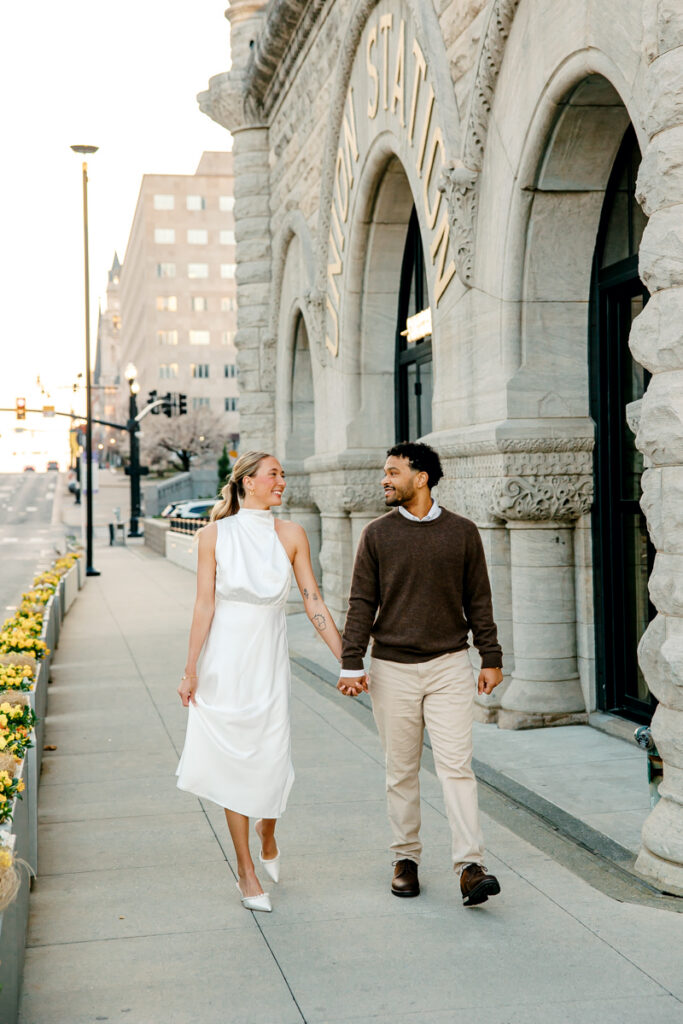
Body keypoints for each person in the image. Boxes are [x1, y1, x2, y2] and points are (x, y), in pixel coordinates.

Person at [337, 442, 504, 906]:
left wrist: (491, 656)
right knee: (401, 770)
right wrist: (352, 662)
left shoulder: (464, 532)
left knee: (457, 768)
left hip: (450, 665)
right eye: (384, 472)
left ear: (422, 477)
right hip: (392, 668)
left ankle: (471, 866)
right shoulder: (376, 535)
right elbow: (361, 604)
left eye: (393, 472)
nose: (385, 480)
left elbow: (479, 600)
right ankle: (405, 858)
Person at [176, 451, 342, 912]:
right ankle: (246, 872)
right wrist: (190, 671)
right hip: (224, 664)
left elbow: (313, 601)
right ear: (248, 482)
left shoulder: (290, 534)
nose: (282, 482)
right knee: (234, 763)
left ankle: (268, 829)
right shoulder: (213, 536)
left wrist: (349, 660)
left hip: (268, 664)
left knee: (271, 757)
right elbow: (204, 606)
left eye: (283, 475)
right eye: (274, 475)